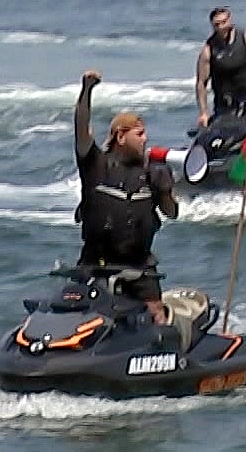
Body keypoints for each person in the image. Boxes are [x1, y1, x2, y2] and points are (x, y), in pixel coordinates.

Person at [75, 69, 179, 324]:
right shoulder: (95, 165)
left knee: (157, 315)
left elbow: (171, 213)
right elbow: (81, 129)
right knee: (85, 321)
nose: (146, 139)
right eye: (139, 133)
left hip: (140, 267)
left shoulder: (150, 173)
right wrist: (87, 90)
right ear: (121, 136)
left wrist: (165, 191)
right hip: (96, 265)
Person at [194, 5, 246, 129]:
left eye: (224, 22)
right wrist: (203, 113)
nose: (222, 27)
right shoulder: (208, 50)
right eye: (217, 24)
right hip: (226, 106)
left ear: (230, 20)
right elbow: (201, 83)